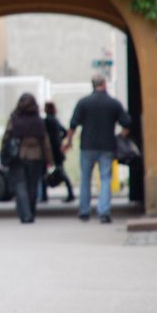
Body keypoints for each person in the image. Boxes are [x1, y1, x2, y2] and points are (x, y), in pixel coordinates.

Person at [63, 74, 131, 224]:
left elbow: (73, 125)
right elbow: (127, 124)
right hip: (107, 145)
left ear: (92, 85)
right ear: (104, 84)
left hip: (87, 146)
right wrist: (120, 136)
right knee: (106, 178)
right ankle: (104, 212)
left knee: (85, 179)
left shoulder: (84, 103)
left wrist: (68, 142)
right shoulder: (113, 103)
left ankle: (84, 211)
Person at [1, 93, 53, 224]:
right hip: (36, 156)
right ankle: (31, 211)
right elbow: (45, 142)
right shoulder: (38, 121)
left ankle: (25, 214)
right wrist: (49, 159)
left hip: (18, 155)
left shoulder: (14, 119)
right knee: (32, 185)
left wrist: (4, 154)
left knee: (20, 185)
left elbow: (6, 137)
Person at [43, 101, 75, 203]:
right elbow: (65, 132)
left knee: (44, 172)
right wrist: (60, 139)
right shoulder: (55, 120)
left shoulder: (46, 121)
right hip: (58, 150)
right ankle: (70, 192)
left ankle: (44, 195)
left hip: (50, 151)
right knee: (61, 172)